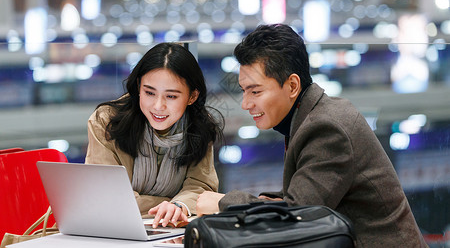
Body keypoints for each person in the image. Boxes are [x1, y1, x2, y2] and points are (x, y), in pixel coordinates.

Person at [196, 24, 427, 247]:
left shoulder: (326, 127)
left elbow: (297, 215)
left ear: (293, 86)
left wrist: (222, 202)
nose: (246, 103)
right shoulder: (310, 114)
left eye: (255, 91)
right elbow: (298, 201)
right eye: (244, 91)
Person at [85, 42, 223, 228]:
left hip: (168, 229)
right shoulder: (106, 121)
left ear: (192, 97)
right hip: (112, 227)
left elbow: (200, 186)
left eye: (171, 96)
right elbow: (107, 196)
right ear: (138, 87)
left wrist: (177, 205)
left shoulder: (199, 126)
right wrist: (169, 204)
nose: (158, 106)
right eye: (149, 92)